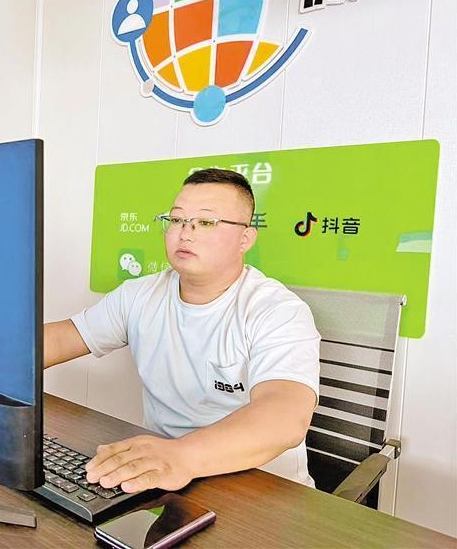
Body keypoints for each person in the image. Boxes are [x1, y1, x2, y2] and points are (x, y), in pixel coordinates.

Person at [43, 168, 320, 494]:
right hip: (165, 478)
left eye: (206, 222)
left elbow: (284, 417)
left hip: (264, 491)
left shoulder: (277, 310)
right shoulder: (139, 295)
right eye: (176, 220)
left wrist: (181, 456)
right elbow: (59, 339)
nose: (185, 233)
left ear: (245, 238)